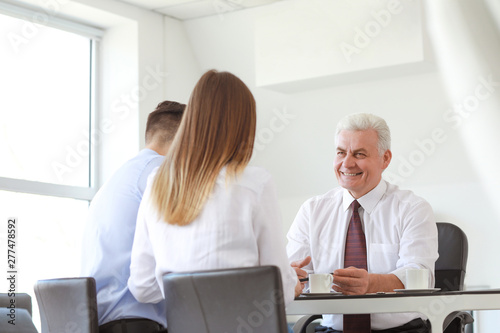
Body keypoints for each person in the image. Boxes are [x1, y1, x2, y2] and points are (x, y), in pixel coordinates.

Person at [127, 70, 302, 323]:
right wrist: (292, 283)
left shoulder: (157, 183)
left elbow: (142, 287)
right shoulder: (255, 182)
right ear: (244, 126)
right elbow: (280, 292)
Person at [287, 113, 438, 332]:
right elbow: (294, 274)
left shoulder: (412, 209)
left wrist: (372, 283)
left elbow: (420, 275)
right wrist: (291, 279)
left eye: (359, 154)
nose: (346, 163)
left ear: (385, 159)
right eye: (340, 153)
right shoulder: (312, 211)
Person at [80, 100, 185, 333]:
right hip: (134, 322)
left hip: (103, 320)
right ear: (185, 140)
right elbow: (182, 249)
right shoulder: (159, 173)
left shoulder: (119, 177)